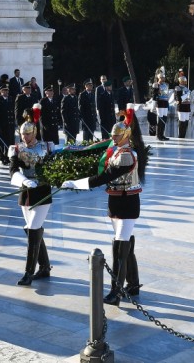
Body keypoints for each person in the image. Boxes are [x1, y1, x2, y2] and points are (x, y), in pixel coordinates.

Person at [62, 104, 147, 306]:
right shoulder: (116, 152)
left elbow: (107, 176)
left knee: (120, 246)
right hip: (115, 200)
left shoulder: (127, 155)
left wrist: (79, 183)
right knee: (125, 243)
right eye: (113, 135)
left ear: (126, 135)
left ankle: (115, 292)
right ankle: (133, 284)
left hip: (127, 202)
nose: (114, 138)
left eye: (117, 136)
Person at [8, 113, 53, 286]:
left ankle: (28, 272)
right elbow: (12, 169)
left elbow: (55, 165)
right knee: (31, 229)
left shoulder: (46, 147)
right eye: (22, 134)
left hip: (42, 192)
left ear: (34, 132)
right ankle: (45, 266)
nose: (24, 137)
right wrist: (23, 180)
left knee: (34, 229)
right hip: (26, 192)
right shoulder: (17, 149)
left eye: (27, 134)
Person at [0, 86, 15, 165]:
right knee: (3, 142)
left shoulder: (10, 99)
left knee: (10, 141)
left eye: (7, 90)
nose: (6, 92)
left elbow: (12, 111)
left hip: (10, 124)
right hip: (2, 124)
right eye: (4, 91)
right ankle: (3, 157)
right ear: (0, 91)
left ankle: (9, 157)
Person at [152, 72, 171, 141]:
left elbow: (167, 95)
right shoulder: (156, 85)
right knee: (160, 119)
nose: (163, 79)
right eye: (161, 77)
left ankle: (162, 134)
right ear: (158, 78)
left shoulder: (166, 85)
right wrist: (154, 104)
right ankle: (158, 135)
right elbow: (154, 95)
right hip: (159, 102)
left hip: (165, 102)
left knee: (164, 118)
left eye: (163, 77)